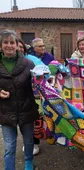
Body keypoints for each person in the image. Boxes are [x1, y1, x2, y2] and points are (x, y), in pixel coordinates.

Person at [0, 29, 39, 170]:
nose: (9, 45)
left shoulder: (29, 64)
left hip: (26, 109)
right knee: (10, 146)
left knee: (28, 141)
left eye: (12, 42)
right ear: (1, 46)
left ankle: (28, 163)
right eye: (5, 42)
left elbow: (37, 84)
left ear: (17, 45)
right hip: (5, 111)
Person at [18, 39, 44, 156]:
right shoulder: (6, 62)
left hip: (31, 97)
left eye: (21, 46)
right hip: (15, 100)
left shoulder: (32, 60)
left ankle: (35, 143)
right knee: (22, 124)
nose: (19, 49)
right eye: (16, 46)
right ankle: (28, 142)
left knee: (33, 121)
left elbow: (45, 71)